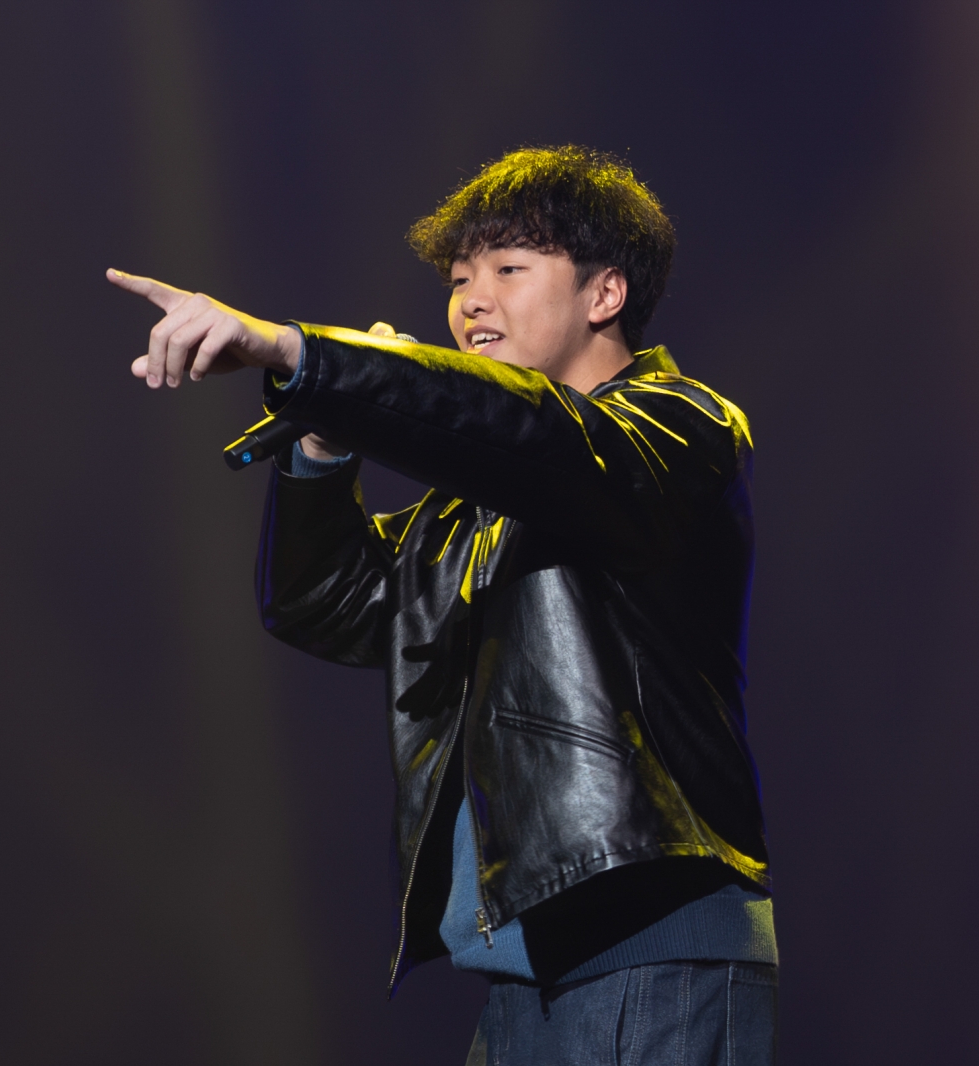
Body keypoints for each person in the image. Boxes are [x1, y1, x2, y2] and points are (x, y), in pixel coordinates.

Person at [108, 145, 777, 1064]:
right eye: (461, 279)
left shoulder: (680, 427)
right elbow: (326, 603)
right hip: (521, 980)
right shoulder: (470, 514)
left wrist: (306, 355)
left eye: (508, 270)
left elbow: (539, 437)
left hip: (648, 949)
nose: (472, 302)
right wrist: (326, 444)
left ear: (605, 293)